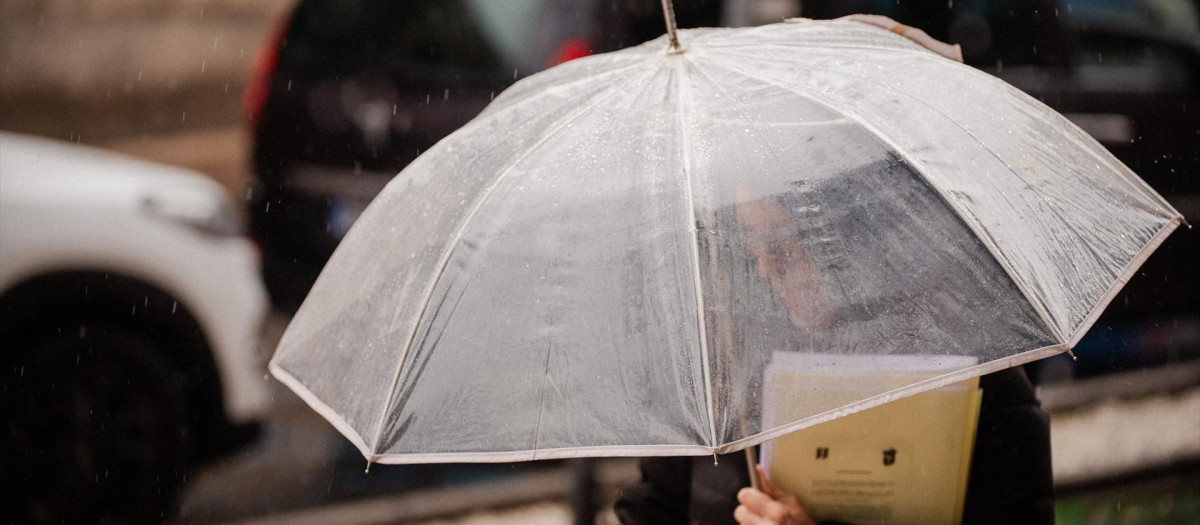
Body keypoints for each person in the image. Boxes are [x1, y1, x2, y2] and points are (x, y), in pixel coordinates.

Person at [616, 16, 1055, 524]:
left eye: (782, 249)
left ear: (855, 240)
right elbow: (653, 510)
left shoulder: (977, 373)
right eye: (751, 245)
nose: (763, 272)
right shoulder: (726, 369)